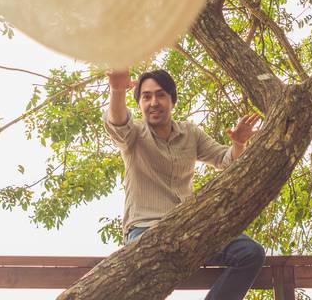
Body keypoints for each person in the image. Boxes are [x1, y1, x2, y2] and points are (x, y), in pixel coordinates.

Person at [104, 68, 266, 300]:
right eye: (146, 97)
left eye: (160, 95)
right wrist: (117, 90)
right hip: (145, 230)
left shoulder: (190, 133)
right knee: (146, 281)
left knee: (250, 252)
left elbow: (226, 159)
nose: (153, 102)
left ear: (172, 99)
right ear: (139, 103)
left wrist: (239, 143)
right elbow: (118, 123)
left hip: (191, 229)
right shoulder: (134, 133)